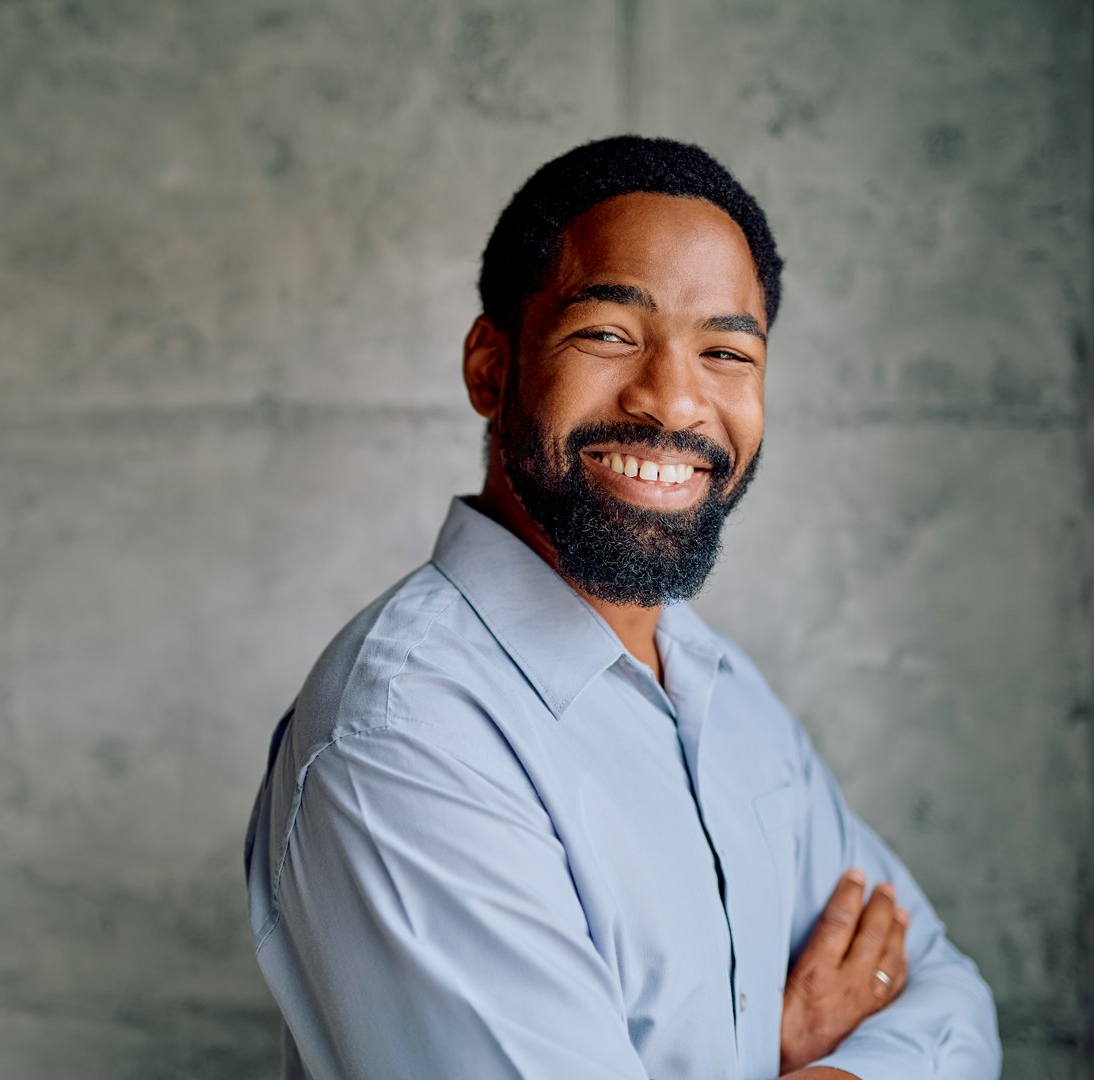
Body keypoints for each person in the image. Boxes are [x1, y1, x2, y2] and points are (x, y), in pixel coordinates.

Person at [243, 136, 1000, 1079]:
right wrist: (769, 1056)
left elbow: (954, 1004)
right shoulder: (403, 735)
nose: (673, 402)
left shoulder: (725, 692)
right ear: (491, 366)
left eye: (726, 350)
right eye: (608, 333)